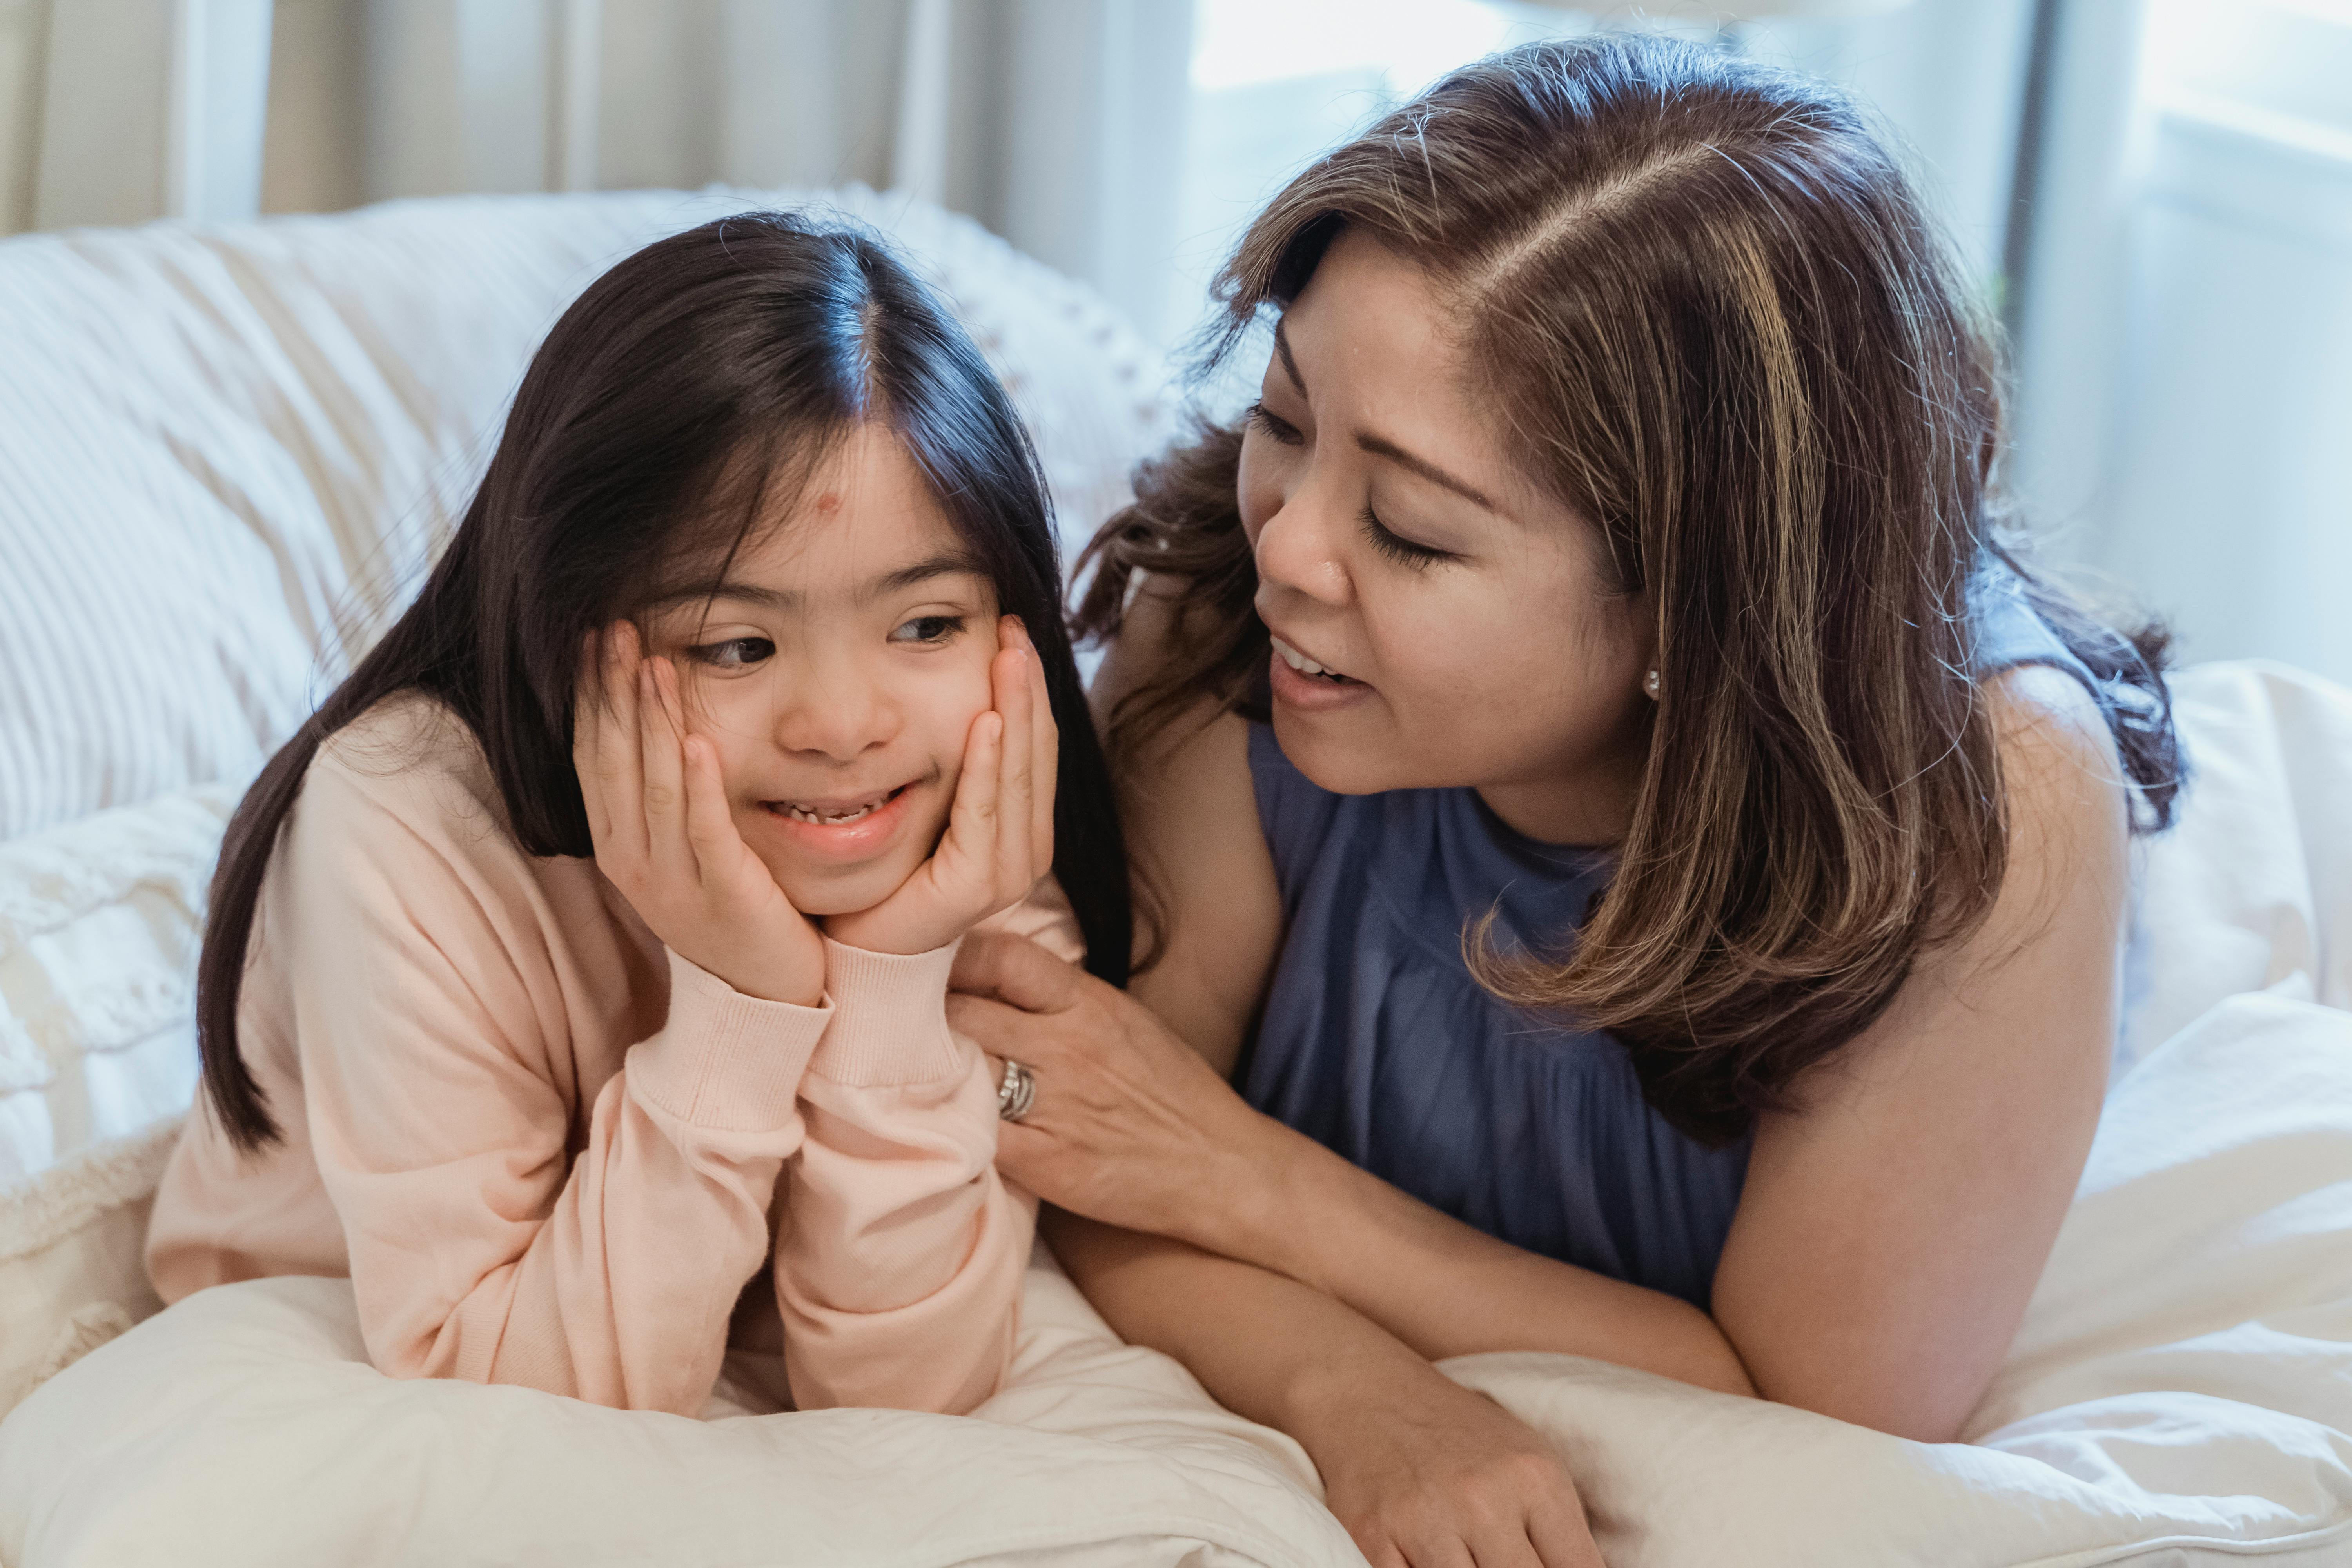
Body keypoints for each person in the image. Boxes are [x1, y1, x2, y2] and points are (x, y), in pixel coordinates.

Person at [944, 34, 2180, 1568]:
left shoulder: (1988, 804)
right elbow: (1095, 1137)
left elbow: (1824, 1396)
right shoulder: (1228, 592)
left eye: (1409, 529)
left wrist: (1246, 1174)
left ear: (1694, 605)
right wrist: (1350, 1384)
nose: (1289, 548)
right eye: (1283, 419)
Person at [146, 212, 1130, 1419]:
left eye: (927, 625)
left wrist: (893, 987)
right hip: (343, 1377)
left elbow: (907, 1405)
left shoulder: (963, 828)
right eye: (736, 644)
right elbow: (508, 1408)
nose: (840, 724)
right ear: (571, 635)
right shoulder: (405, 824)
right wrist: (742, 1012)